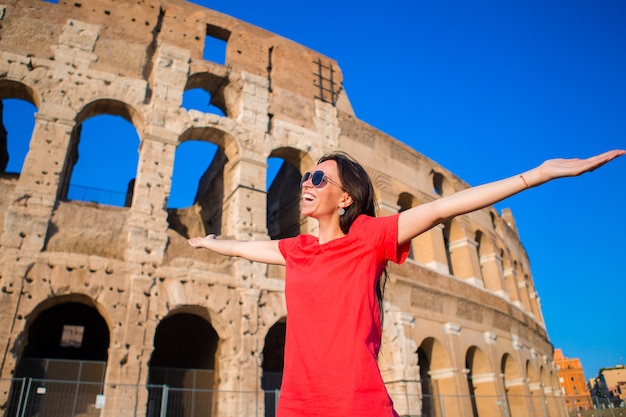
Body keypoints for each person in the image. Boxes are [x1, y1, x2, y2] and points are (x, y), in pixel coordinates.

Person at [188, 149, 624, 417]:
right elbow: (250, 248)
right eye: (306, 176)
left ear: (344, 199)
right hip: (297, 407)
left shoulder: (368, 238)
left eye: (318, 178)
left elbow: (442, 210)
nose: (307, 181)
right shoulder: (297, 249)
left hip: (357, 407)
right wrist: (211, 242)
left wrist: (539, 174)